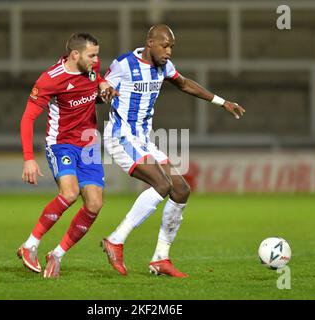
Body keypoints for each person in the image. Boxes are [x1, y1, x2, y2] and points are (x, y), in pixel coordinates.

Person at [101, 24, 245, 277]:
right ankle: (116, 239)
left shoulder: (163, 67)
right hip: (121, 136)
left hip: (144, 140)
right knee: (161, 184)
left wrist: (222, 103)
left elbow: (184, 83)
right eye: (165, 46)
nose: (168, 52)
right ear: (150, 43)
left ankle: (160, 258)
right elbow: (99, 91)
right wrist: (104, 93)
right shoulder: (124, 64)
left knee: (180, 189)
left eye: (172, 47)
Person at [17, 32, 117, 278]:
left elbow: (96, 82)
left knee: (94, 203)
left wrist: (104, 85)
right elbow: (28, 118)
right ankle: (30, 245)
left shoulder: (92, 68)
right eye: (92, 55)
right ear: (75, 55)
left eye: (97, 55)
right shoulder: (51, 79)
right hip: (61, 144)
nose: (96, 59)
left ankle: (58, 254)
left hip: (89, 144)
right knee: (70, 193)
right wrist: (28, 158)